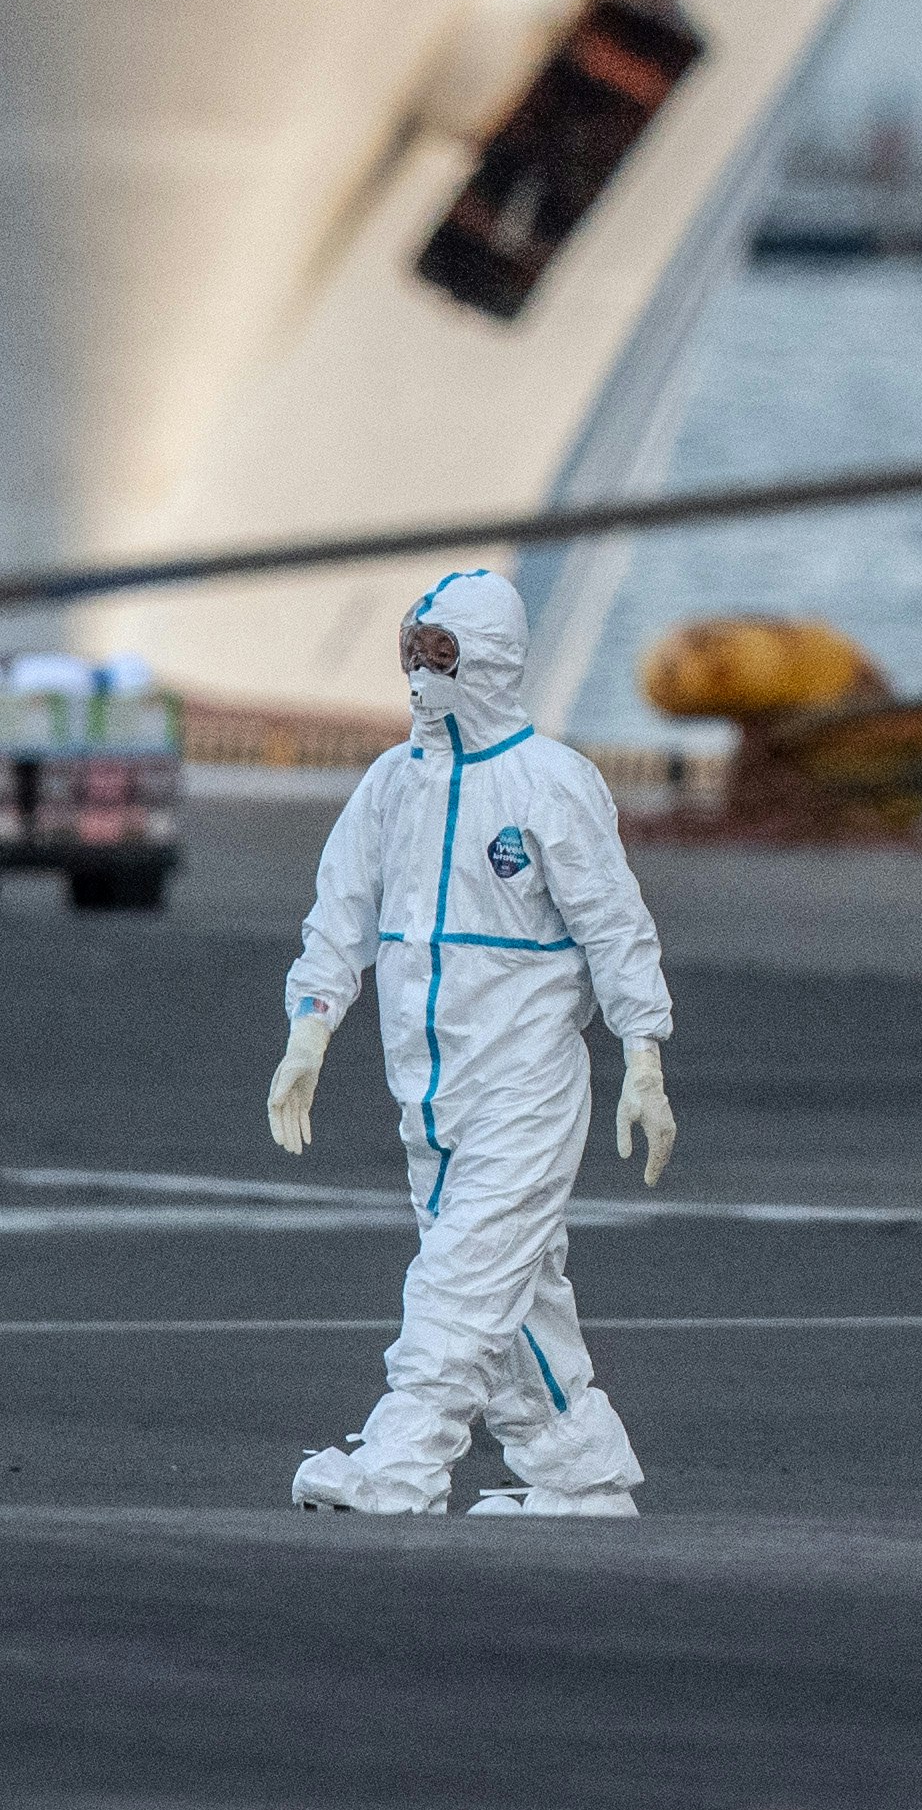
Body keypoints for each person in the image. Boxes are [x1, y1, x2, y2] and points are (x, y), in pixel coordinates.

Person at [271, 567, 677, 1516]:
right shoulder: (392, 785)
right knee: (517, 1289)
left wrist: (643, 1055)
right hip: (429, 1091)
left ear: (487, 662)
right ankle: (581, 1471)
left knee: (458, 1280)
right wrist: (311, 1025)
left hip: (525, 1089)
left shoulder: (551, 785)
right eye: (412, 651)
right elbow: (341, 910)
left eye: (441, 655)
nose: (419, 675)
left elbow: (618, 930)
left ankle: (403, 1463)